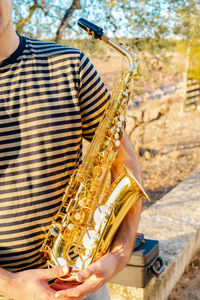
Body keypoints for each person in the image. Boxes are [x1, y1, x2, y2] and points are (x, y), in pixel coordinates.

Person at [0, 1, 143, 299]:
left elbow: (120, 154)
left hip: (80, 282)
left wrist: (120, 251)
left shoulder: (70, 65)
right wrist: (9, 284)